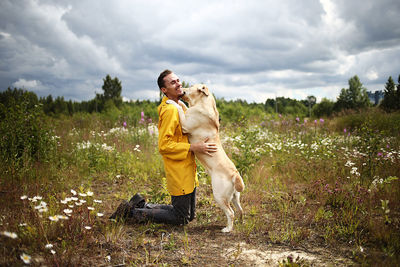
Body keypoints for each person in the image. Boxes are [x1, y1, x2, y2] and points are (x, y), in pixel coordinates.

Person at [110, 69, 217, 225]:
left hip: (188, 168)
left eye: (178, 80)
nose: (178, 84)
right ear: (164, 90)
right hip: (179, 169)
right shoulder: (171, 110)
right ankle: (132, 212)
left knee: (188, 216)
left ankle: (141, 205)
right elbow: (164, 145)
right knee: (181, 218)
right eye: (173, 82)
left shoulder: (180, 105)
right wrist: (193, 147)